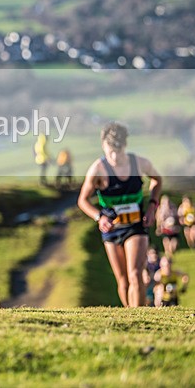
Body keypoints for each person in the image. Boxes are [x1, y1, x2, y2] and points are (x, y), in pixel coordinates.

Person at [77, 122, 162, 307]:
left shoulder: (139, 163)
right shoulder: (98, 169)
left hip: (136, 225)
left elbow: (157, 179)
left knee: (135, 274)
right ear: (103, 146)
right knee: (122, 280)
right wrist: (99, 217)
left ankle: (139, 316)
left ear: (125, 145)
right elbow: (82, 200)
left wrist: (152, 206)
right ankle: (130, 317)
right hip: (112, 228)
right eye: (110, 151)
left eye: (118, 150)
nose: (114, 156)